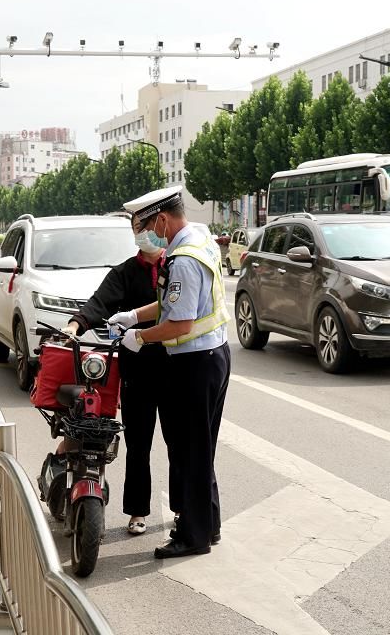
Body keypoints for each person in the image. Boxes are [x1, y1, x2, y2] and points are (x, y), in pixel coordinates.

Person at [112, 185, 231, 560]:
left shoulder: (182, 259)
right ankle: (208, 525)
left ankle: (192, 535)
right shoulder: (201, 239)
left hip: (194, 364)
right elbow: (169, 302)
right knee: (201, 448)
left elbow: (178, 323)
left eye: (147, 227)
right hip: (214, 356)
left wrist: (139, 337)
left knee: (190, 452)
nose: (147, 236)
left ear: (162, 219)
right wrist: (135, 314)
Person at [61, 216, 178, 536]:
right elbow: (99, 303)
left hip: (174, 367)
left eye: (147, 228)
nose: (143, 235)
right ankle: (138, 512)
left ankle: (182, 509)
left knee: (176, 443)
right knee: (138, 444)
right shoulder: (125, 272)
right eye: (136, 230)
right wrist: (76, 324)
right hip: (137, 370)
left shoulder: (178, 265)